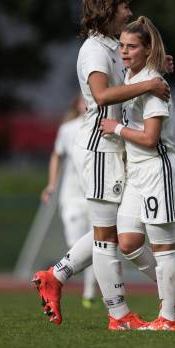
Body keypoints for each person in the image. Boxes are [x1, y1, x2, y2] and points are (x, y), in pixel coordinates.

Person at [32, 0, 172, 330]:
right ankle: (119, 315)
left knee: (112, 229)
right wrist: (149, 85)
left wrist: (155, 67)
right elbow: (103, 94)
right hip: (100, 149)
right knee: (106, 236)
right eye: (123, 6)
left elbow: (125, 78)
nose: (128, 12)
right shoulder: (94, 50)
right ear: (108, 9)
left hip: (114, 148)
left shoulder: (111, 45)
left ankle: (56, 275)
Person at [99, 16, 175, 331]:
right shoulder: (133, 76)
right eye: (122, 45)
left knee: (165, 249)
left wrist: (116, 128)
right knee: (128, 242)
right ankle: (173, 289)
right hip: (136, 172)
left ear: (147, 50)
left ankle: (169, 319)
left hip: (157, 169)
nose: (124, 51)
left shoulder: (153, 85)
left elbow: (150, 138)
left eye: (132, 46)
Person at [40, 95, 98, 309]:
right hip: (72, 197)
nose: (87, 103)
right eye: (84, 100)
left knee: (99, 242)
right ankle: (56, 278)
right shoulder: (68, 129)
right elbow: (56, 155)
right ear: (77, 104)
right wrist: (51, 185)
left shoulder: (103, 126)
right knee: (76, 246)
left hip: (96, 195)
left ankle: (90, 290)